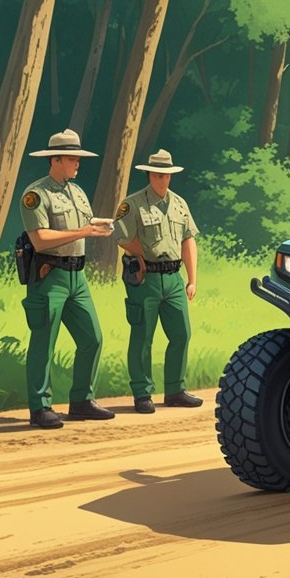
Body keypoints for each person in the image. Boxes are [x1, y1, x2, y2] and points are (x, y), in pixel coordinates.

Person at [19, 129, 116, 429]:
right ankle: (40, 406)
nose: (78, 164)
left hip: (77, 277)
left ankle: (81, 400)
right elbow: (41, 239)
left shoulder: (77, 192)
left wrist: (100, 224)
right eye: (73, 159)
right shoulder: (36, 195)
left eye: (78, 158)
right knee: (44, 341)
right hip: (50, 276)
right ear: (56, 159)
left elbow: (84, 223)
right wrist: (85, 232)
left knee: (92, 338)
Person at [114, 150, 202, 412]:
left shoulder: (179, 204)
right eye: (156, 174)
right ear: (149, 174)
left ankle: (175, 389)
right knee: (142, 336)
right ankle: (142, 393)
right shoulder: (133, 204)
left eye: (165, 175)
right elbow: (121, 236)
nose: (161, 179)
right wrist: (140, 254)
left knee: (181, 333)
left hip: (173, 277)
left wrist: (192, 279)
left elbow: (188, 240)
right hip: (146, 277)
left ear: (170, 176)